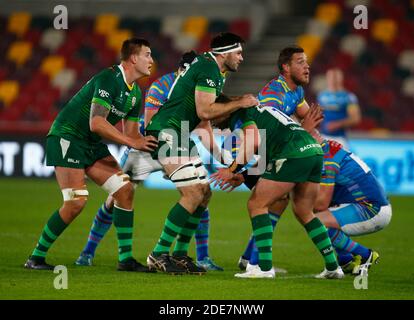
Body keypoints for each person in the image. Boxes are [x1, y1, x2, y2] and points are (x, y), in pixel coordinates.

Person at [75, 51, 224, 271]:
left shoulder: (200, 87)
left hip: (177, 146)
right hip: (147, 147)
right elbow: (150, 122)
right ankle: (88, 251)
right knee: (117, 197)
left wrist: (222, 158)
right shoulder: (161, 86)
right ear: (182, 69)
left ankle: (201, 257)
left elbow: (203, 127)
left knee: (199, 193)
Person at [24, 38, 158, 272]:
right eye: (147, 55)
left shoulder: (136, 93)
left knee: (125, 190)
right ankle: (36, 257)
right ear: (133, 58)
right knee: (76, 202)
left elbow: (132, 135)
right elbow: (96, 122)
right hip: (68, 137)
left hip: (91, 145)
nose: (152, 60)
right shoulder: (109, 79)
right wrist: (131, 141)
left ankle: (125, 260)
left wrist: (155, 149)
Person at [145, 32, 258, 275]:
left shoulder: (213, 70)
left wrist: (226, 160)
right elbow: (205, 111)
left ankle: (179, 254)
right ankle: (158, 253)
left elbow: (205, 117)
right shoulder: (209, 68)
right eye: (238, 52)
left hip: (181, 132)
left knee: (204, 193)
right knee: (193, 192)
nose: (241, 57)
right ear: (224, 52)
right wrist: (240, 102)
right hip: (168, 131)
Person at [211, 103, 343, 279]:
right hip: (313, 151)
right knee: (305, 212)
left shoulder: (240, 116)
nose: (211, 121)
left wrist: (231, 170)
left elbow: (254, 142)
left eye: (214, 114)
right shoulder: (261, 112)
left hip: (293, 154)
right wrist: (243, 176)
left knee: (256, 204)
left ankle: (264, 268)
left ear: (225, 109)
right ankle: (333, 267)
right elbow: (270, 156)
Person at [237, 46, 322, 269]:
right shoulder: (274, 94)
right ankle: (256, 263)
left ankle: (250, 259)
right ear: (286, 67)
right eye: (301, 62)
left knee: (276, 202)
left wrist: (309, 131)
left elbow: (308, 120)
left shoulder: (296, 92)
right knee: (267, 202)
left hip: (268, 151)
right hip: (250, 151)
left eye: (307, 62)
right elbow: (269, 129)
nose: (307, 66)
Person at [312, 136, 391, 275]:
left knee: (315, 221)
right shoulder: (330, 149)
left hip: (372, 208)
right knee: (320, 214)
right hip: (370, 204)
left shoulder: (328, 159)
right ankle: (345, 261)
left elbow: (320, 203)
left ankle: (365, 255)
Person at [317, 68, 361, 148]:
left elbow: (355, 118)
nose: (333, 80)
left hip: (340, 138)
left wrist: (337, 124)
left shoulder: (349, 97)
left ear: (341, 79)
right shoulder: (322, 96)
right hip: (323, 137)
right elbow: (318, 114)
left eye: (335, 77)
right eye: (331, 77)